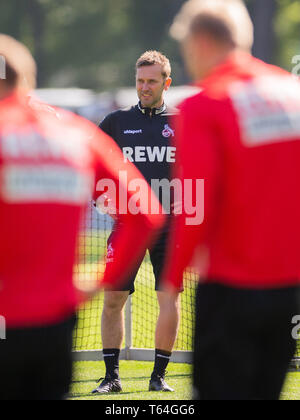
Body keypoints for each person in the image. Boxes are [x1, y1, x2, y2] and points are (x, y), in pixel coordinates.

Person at [0, 34, 165, 401]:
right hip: (56, 322)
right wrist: (95, 281)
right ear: (27, 79)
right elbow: (147, 213)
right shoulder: (76, 134)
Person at [162, 0, 300, 400]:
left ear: (201, 41)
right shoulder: (292, 94)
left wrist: (171, 283)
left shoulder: (205, 103)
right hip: (288, 290)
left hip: (230, 288)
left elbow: (195, 203)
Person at [92, 51, 181, 394]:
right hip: (127, 228)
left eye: (152, 81)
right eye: (140, 81)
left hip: (170, 228)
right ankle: (111, 377)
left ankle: (158, 378)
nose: (144, 87)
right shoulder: (115, 121)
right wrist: (101, 198)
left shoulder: (183, 122)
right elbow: (89, 161)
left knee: (168, 299)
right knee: (113, 298)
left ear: (166, 83)